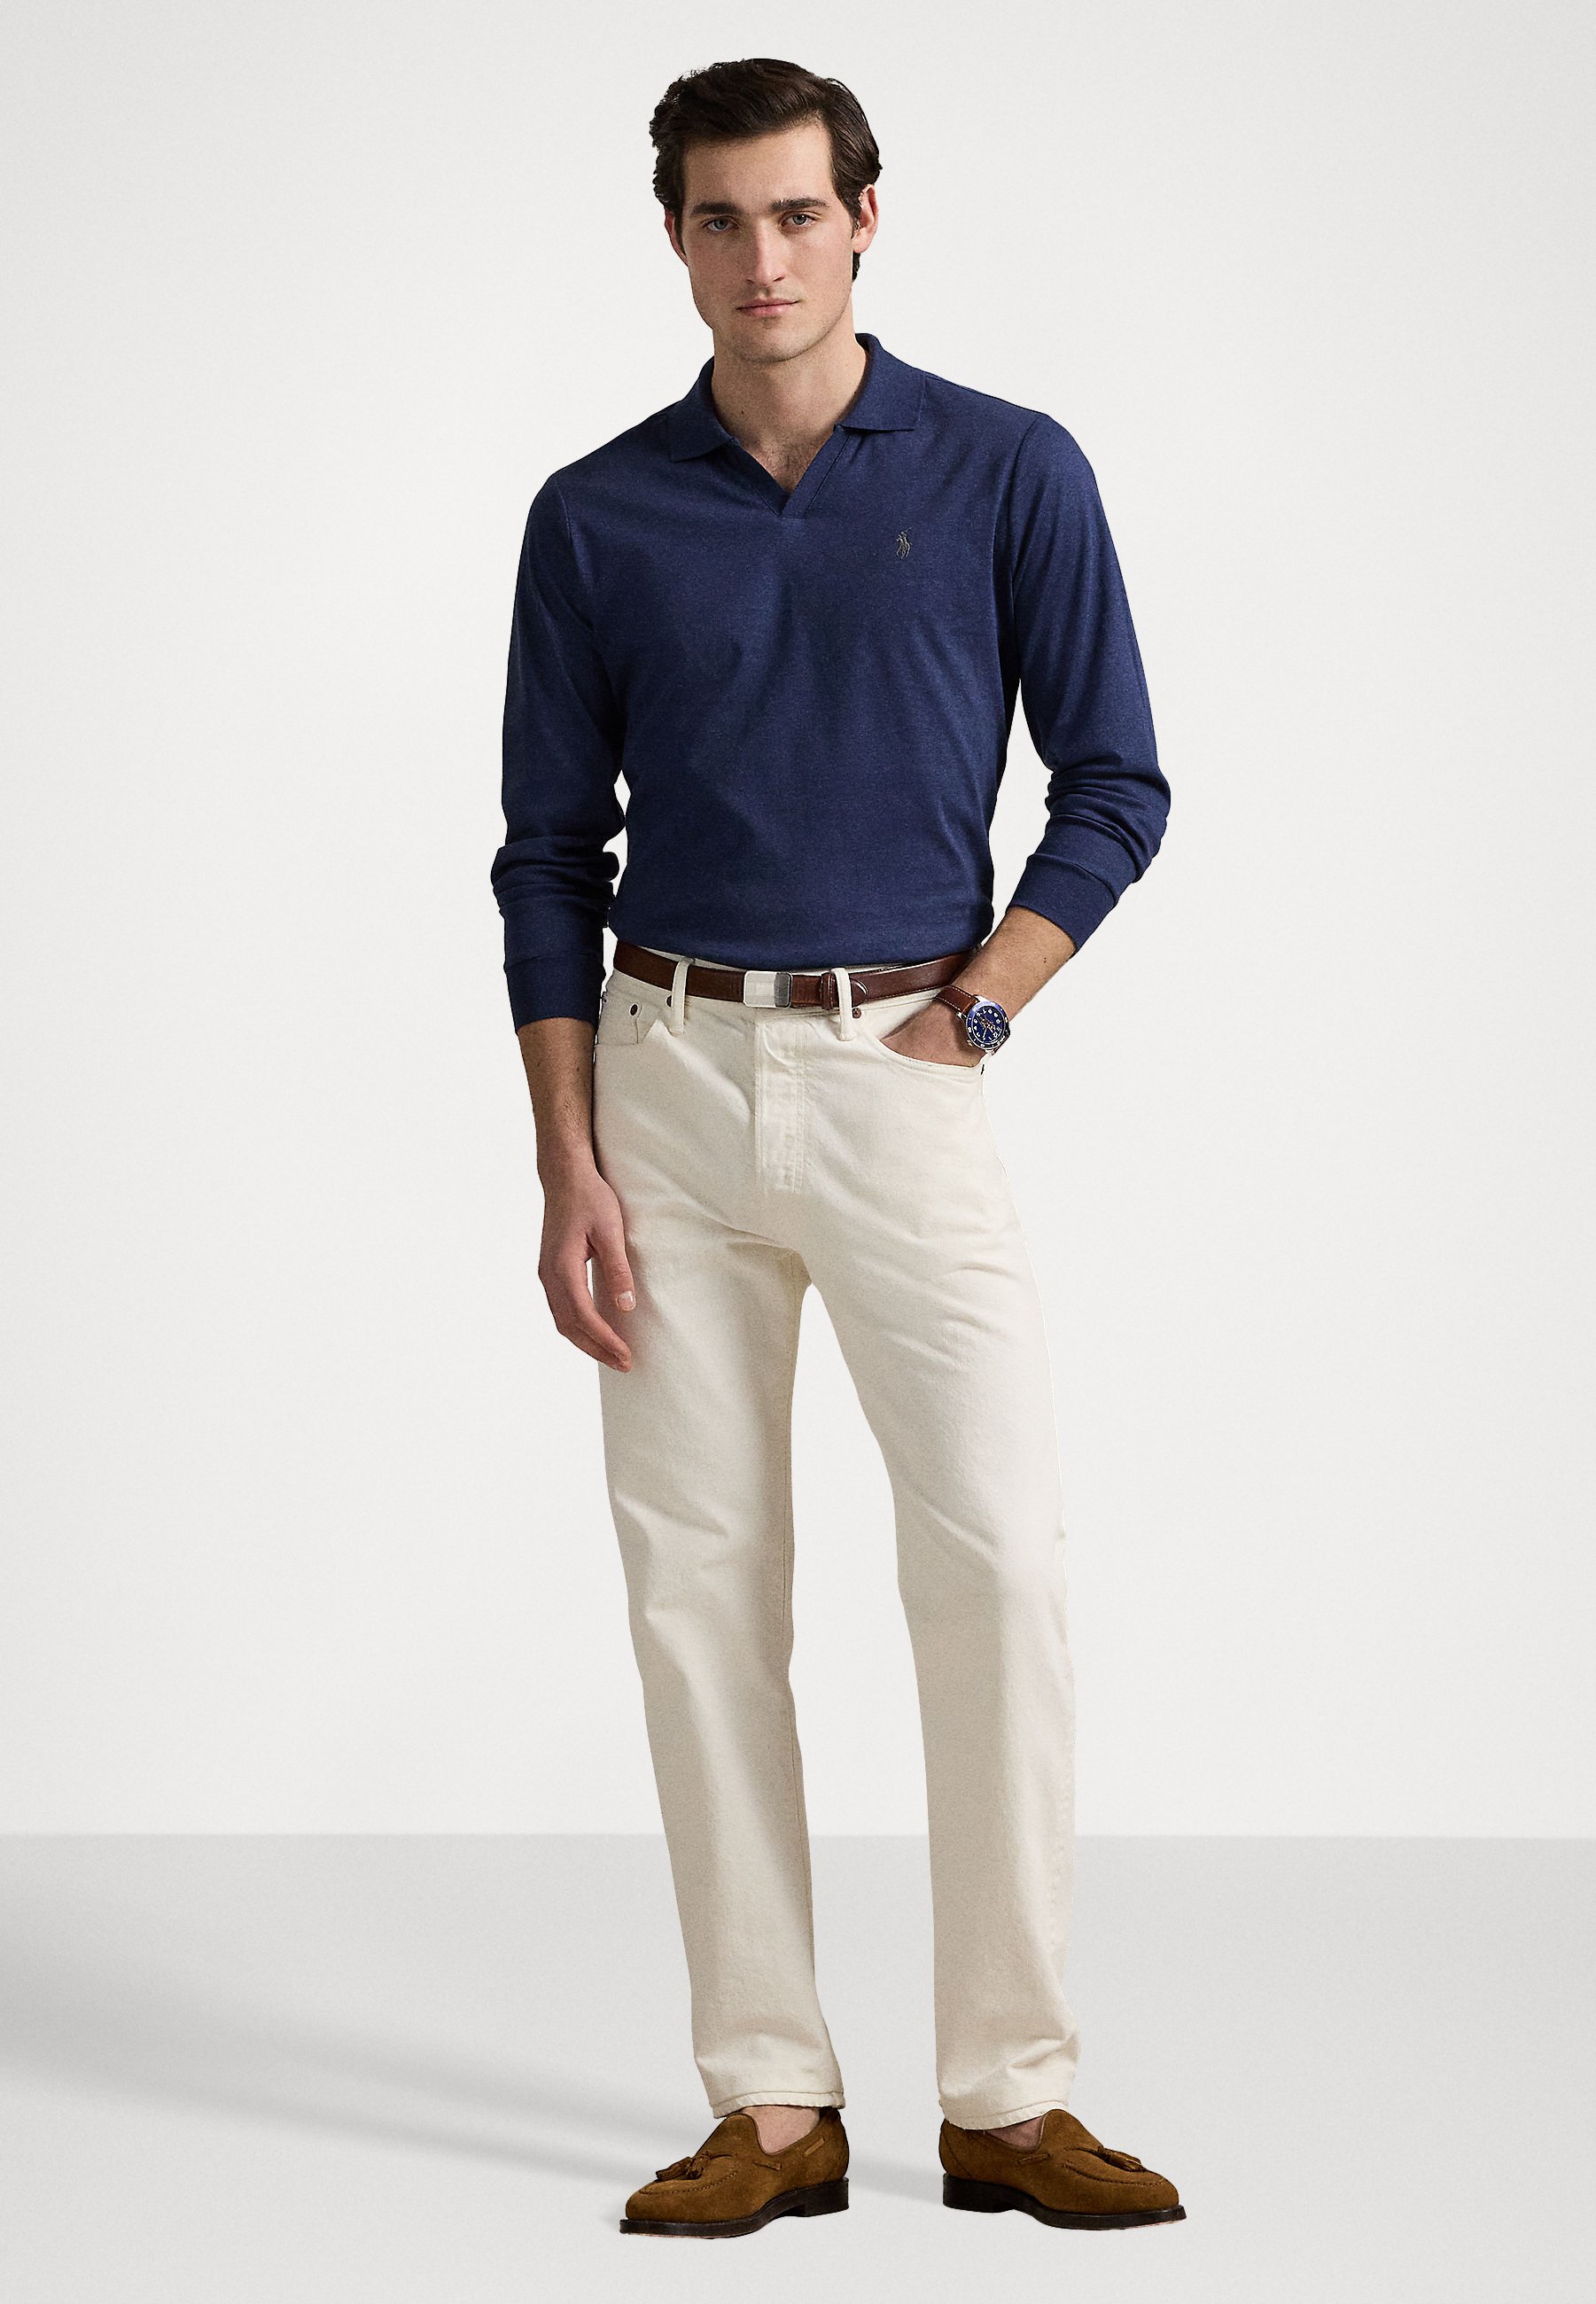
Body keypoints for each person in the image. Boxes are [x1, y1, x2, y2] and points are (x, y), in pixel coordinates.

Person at [491, 56, 1184, 2240]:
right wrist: (568, 1156)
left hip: (902, 1064)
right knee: (699, 1592)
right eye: (720, 219)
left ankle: (1009, 2092)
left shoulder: (1003, 468)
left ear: (864, 220)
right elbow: (543, 853)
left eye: (796, 213)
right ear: (675, 239)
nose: (761, 257)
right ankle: (771, 2098)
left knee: (998, 1566)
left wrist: (984, 1000)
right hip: (664, 1075)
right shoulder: (596, 513)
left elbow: (1115, 781)